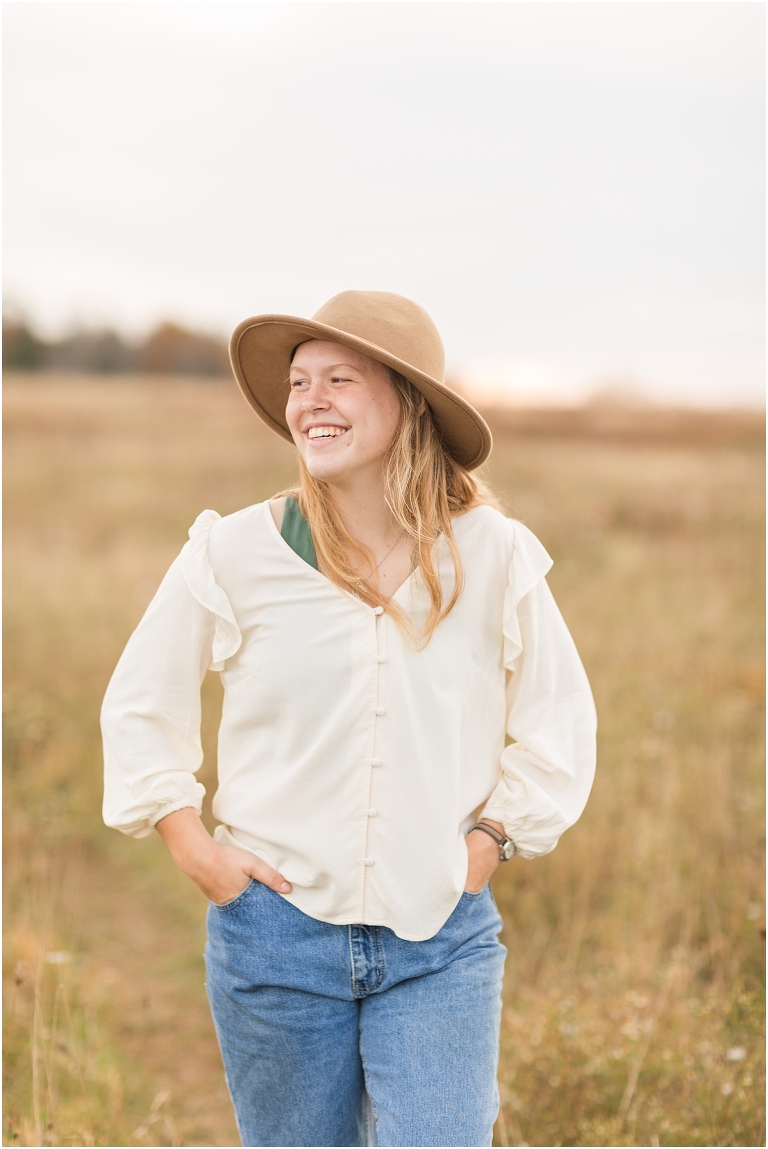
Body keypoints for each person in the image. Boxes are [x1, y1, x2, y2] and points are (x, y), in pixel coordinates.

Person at [101, 290, 596, 1148]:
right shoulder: (234, 552)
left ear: (409, 402)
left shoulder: (492, 552)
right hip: (275, 942)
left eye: (341, 379)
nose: (311, 401)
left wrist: (492, 842)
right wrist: (196, 849)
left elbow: (560, 721)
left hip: (439, 939)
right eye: (300, 382)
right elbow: (143, 703)